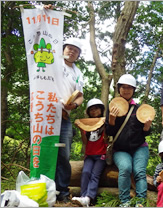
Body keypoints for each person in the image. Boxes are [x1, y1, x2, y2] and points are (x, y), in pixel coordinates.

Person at [105, 74, 152, 207]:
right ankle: (125, 201)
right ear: (119, 89)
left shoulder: (138, 109)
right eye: (123, 87)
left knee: (139, 172)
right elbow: (109, 132)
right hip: (120, 149)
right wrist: (112, 121)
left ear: (133, 90)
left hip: (139, 147)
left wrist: (147, 127)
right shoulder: (112, 107)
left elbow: (146, 133)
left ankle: (140, 202)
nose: (126, 90)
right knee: (125, 168)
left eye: (129, 88)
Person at [55, 37, 85, 203]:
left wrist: (74, 105)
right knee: (45, 151)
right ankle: (44, 188)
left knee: (64, 155)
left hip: (65, 118)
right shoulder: (53, 62)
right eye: (69, 48)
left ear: (78, 55)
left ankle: (62, 192)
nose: (72, 51)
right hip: (46, 116)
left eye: (76, 50)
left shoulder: (77, 72)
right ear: (63, 49)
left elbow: (80, 96)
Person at [72, 98, 107, 206]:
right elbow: (85, 142)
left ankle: (89, 197)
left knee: (95, 175)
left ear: (101, 110)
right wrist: (80, 128)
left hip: (101, 155)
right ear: (88, 112)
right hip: (89, 155)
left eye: (96, 109)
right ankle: (83, 197)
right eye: (91, 110)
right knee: (85, 173)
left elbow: (106, 140)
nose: (94, 111)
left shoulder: (104, 122)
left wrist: (106, 126)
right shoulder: (86, 124)